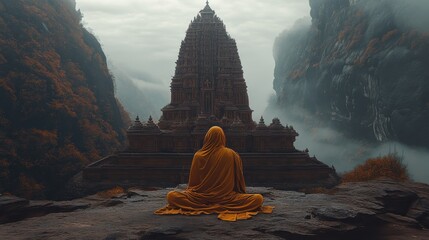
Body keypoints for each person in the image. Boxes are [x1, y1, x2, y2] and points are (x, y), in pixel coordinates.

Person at [155, 126, 273, 221]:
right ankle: (224, 206)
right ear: (223, 138)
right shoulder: (231, 154)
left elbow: (192, 186)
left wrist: (197, 196)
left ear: (207, 138)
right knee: (257, 199)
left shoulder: (198, 155)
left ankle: (206, 205)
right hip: (228, 199)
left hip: (199, 199)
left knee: (172, 196)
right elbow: (238, 183)